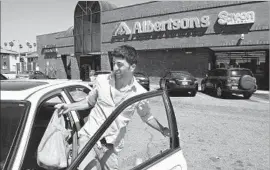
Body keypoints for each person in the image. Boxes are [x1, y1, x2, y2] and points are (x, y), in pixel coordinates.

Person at [54, 45, 170, 170]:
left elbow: (147, 116)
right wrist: (69, 106)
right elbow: (89, 102)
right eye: (113, 63)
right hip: (89, 138)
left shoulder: (139, 93)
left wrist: (163, 129)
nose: (115, 68)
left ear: (132, 67)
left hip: (111, 145)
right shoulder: (102, 81)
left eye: (119, 64)